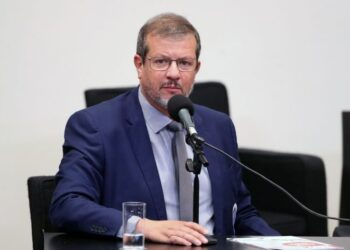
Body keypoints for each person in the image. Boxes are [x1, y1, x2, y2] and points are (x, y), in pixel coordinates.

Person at [49, 13, 279, 246]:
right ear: (139, 65)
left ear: (196, 68)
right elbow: (67, 204)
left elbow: (241, 213)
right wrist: (142, 226)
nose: (173, 73)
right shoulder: (96, 125)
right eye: (161, 61)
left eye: (184, 63)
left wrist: (288, 244)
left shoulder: (219, 126)